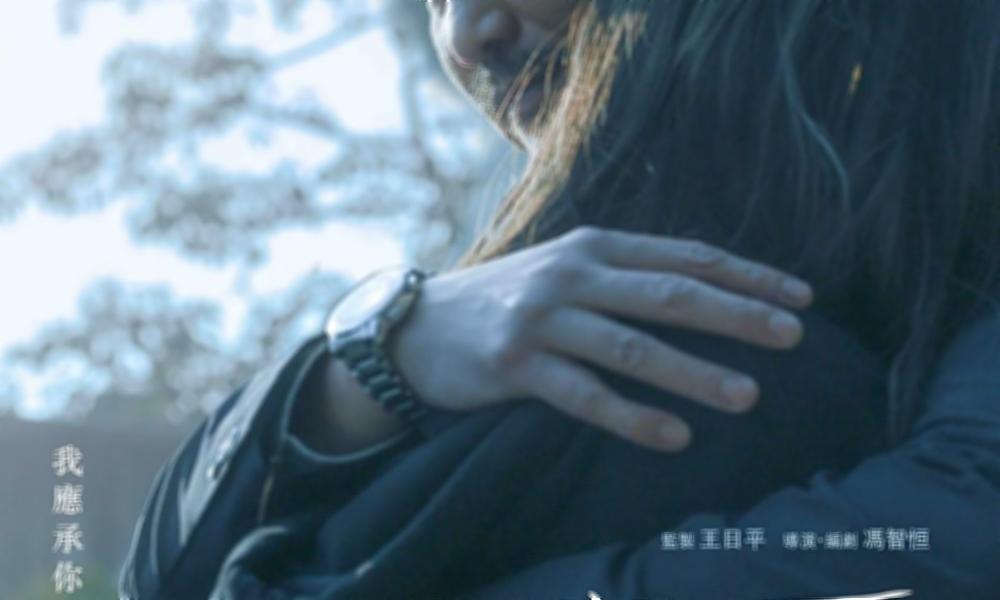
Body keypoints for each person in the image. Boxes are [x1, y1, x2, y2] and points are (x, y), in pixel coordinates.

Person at [118, 1, 1000, 598]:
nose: (466, 34)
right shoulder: (505, 326)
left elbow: (954, 530)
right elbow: (159, 579)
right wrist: (377, 359)